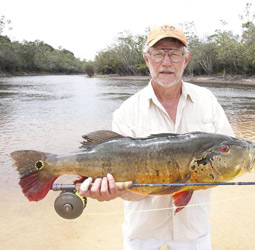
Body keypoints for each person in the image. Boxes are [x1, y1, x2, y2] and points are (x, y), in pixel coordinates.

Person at [80, 24, 234, 250]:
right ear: (147, 59)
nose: (166, 62)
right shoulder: (126, 112)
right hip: (143, 235)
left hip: (194, 233)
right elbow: (132, 194)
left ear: (186, 59)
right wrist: (113, 192)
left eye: (174, 53)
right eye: (158, 53)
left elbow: (227, 156)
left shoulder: (207, 101)